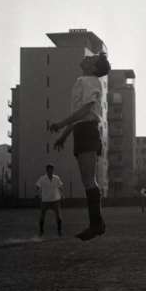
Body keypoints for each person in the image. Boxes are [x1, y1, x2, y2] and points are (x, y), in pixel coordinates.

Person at [50, 49, 111, 241]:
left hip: (87, 131)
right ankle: (97, 224)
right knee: (88, 181)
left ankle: (97, 224)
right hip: (82, 130)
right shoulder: (84, 81)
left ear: (94, 68)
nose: (87, 57)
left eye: (91, 58)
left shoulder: (90, 81)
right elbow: (79, 115)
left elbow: (86, 111)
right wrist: (64, 135)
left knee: (89, 181)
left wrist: (61, 124)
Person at [36, 164, 64, 236]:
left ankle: (59, 230)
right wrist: (39, 193)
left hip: (55, 199)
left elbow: (60, 186)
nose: (51, 171)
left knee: (58, 215)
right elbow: (38, 185)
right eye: (49, 170)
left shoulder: (56, 178)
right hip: (45, 200)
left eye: (52, 170)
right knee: (42, 215)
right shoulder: (42, 178)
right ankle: (41, 230)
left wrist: (62, 194)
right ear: (47, 170)